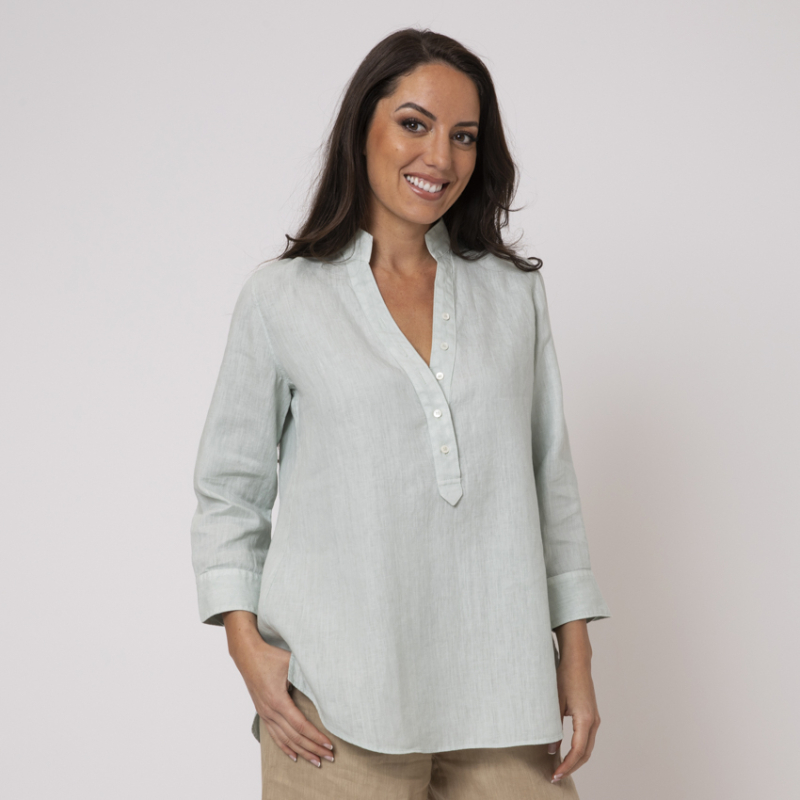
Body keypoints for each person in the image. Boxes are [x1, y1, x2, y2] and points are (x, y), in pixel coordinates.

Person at [190, 27, 611, 800]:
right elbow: (229, 491)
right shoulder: (282, 299)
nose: (439, 158)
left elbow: (551, 484)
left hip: (505, 695)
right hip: (335, 706)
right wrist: (247, 650)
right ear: (363, 129)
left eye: (464, 136)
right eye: (415, 124)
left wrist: (575, 662)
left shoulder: (513, 296)